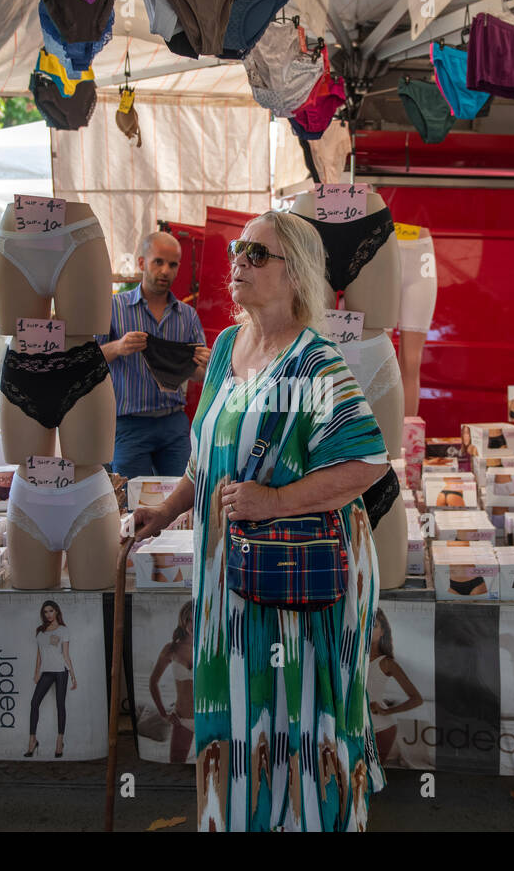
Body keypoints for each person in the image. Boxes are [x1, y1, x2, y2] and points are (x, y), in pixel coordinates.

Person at [132, 211, 389, 832]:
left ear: (295, 274)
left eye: (255, 254)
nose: (237, 263)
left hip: (299, 577)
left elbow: (368, 463)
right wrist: (167, 509)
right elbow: (206, 455)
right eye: (238, 251)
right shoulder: (226, 346)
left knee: (297, 713)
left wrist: (274, 501)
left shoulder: (316, 363)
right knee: (238, 708)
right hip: (230, 575)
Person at [99, 231, 210, 479]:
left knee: (181, 500)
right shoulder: (115, 308)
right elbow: (87, 361)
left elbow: (201, 376)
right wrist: (118, 347)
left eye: (172, 265)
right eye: (158, 262)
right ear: (142, 263)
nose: (165, 271)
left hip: (174, 424)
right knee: (131, 501)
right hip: (129, 425)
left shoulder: (187, 315)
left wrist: (205, 364)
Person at [368, 609, 424, 764]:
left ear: (382, 631)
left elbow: (416, 699)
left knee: (371, 777)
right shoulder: (354, 659)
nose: (368, 628)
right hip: (356, 726)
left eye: (373, 625)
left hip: (380, 728)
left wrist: (387, 711)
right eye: (365, 623)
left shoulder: (386, 663)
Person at [25, 601, 75, 759]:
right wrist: (36, 672)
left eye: (51, 611)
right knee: (34, 703)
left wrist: (73, 675)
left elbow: (66, 654)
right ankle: (32, 740)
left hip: (61, 671)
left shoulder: (63, 630)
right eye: (45, 612)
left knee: (60, 705)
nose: (48, 614)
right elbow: (39, 654)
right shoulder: (40, 631)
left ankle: (60, 740)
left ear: (56, 612)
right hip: (46, 672)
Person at [148, 602, 194, 764]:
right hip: (182, 720)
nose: (192, 624)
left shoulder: (212, 646)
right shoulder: (171, 649)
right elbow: (153, 682)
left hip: (208, 718)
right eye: (189, 620)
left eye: (196, 619)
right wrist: (163, 714)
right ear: (183, 621)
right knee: (176, 765)